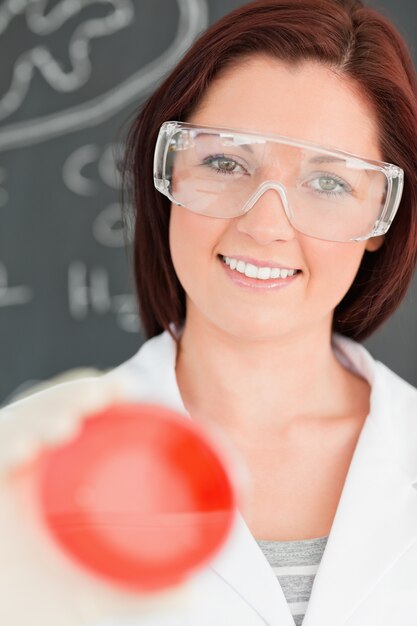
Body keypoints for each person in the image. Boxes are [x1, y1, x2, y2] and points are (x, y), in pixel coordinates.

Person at [1, 0, 417, 624]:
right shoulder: (22, 468)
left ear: (381, 219)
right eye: (225, 162)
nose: (265, 224)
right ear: (166, 172)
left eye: (329, 182)